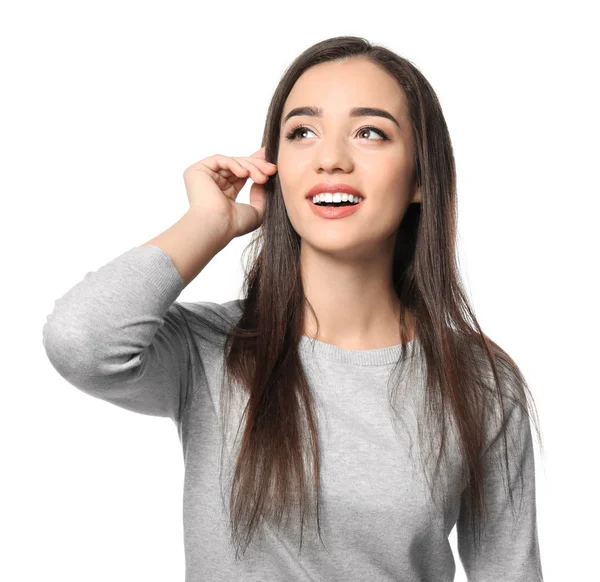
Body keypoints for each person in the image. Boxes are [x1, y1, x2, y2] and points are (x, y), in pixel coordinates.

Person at [42, 36, 544, 581]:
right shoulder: (213, 350)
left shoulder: (479, 382)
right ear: (274, 166)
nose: (330, 158)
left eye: (370, 132)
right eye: (302, 132)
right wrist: (207, 226)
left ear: (421, 177)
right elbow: (80, 342)